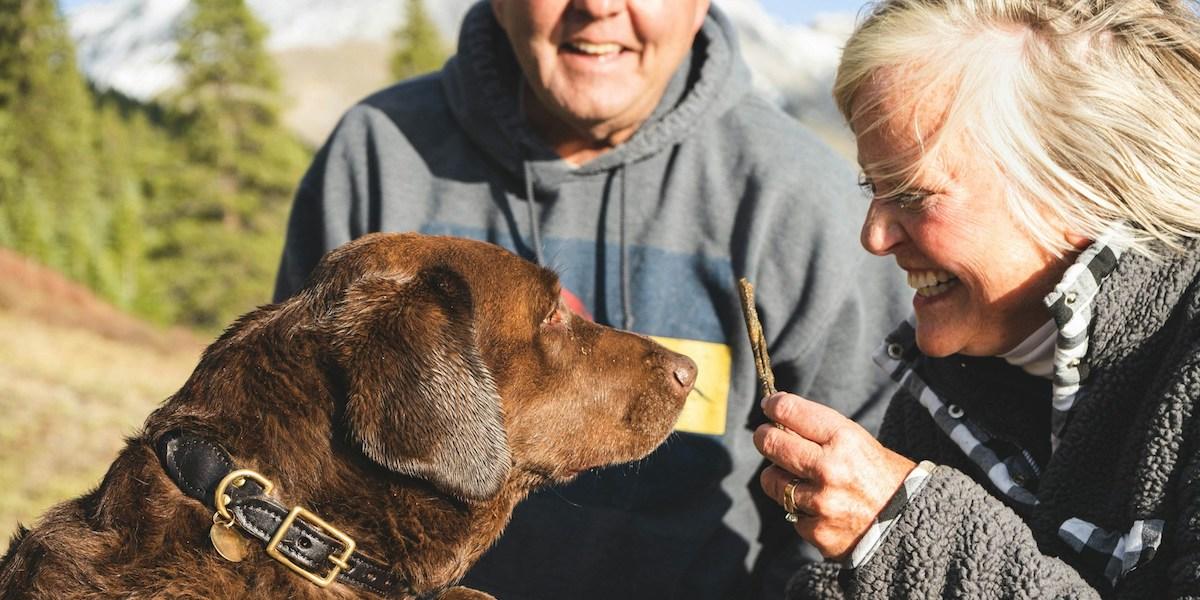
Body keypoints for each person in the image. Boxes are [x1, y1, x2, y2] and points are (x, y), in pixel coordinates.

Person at [273, 0, 909, 598]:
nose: (599, 6)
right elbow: (293, 461)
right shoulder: (378, 158)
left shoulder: (801, 201)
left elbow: (853, 525)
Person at [753, 0, 1200, 597]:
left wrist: (904, 530)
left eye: (913, 191)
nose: (874, 236)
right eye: (873, 187)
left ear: (1080, 184)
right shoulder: (947, 391)